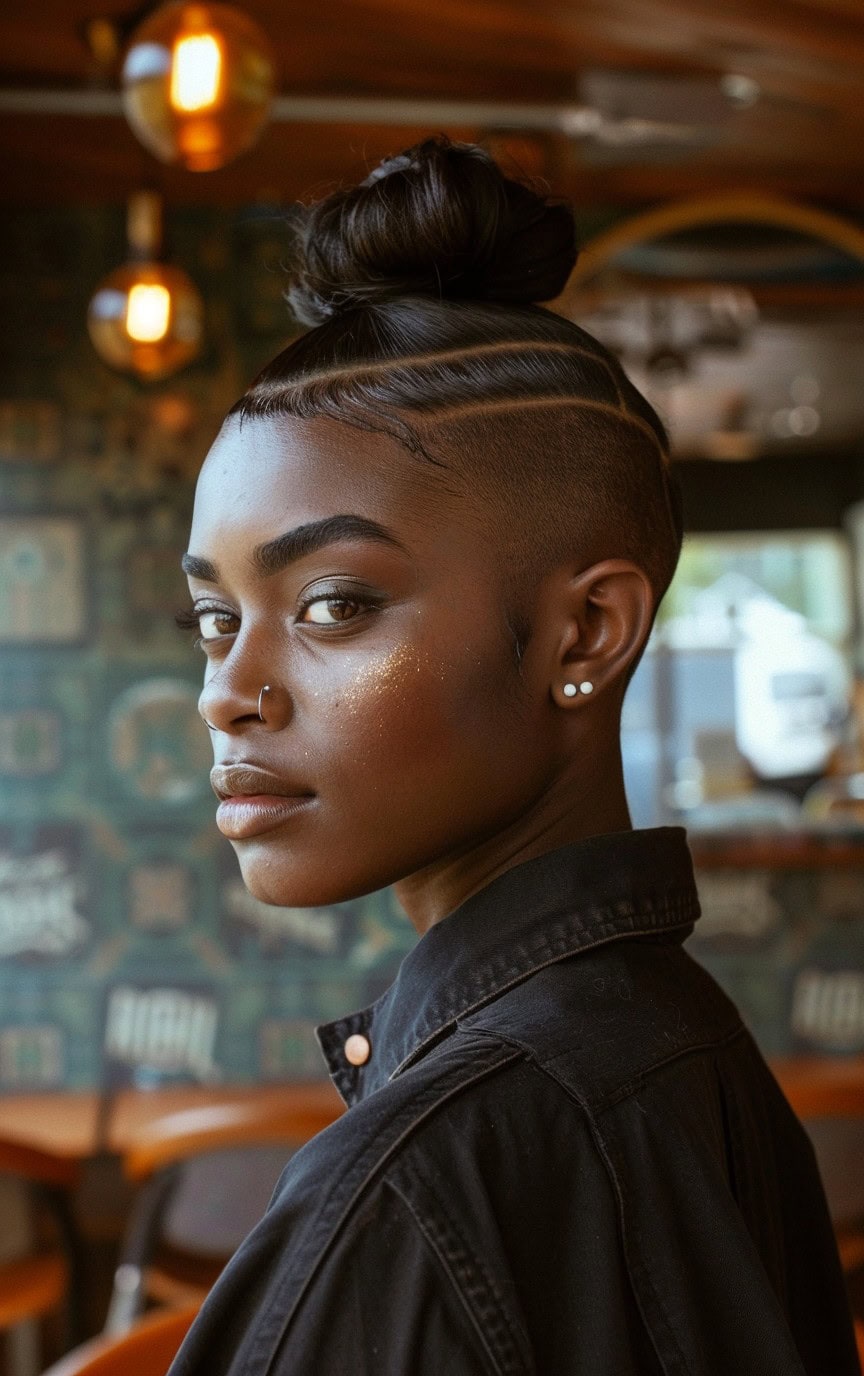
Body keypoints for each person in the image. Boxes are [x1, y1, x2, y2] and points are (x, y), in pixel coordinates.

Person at [170, 138, 858, 1375]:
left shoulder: (406, 1195)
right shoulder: (683, 1040)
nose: (229, 691)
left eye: (331, 603)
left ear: (584, 630)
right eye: (215, 618)